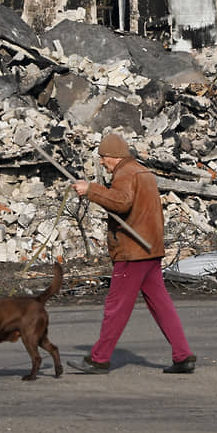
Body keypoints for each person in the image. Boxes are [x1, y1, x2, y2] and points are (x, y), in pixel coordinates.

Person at [66, 133, 196, 374]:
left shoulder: (125, 173)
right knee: (162, 305)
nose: (102, 162)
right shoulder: (142, 172)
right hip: (149, 249)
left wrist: (91, 190)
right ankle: (183, 355)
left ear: (114, 157)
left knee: (116, 307)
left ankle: (100, 358)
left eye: (103, 158)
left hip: (132, 251)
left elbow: (122, 202)